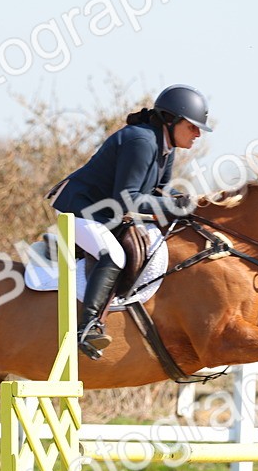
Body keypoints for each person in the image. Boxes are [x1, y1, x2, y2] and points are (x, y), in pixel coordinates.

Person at [49, 84, 212, 360]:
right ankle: (88, 326)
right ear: (171, 120)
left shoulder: (166, 147)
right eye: (192, 126)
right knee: (112, 255)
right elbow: (127, 199)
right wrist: (172, 205)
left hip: (106, 214)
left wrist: (189, 200)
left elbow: (160, 190)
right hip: (78, 211)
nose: (197, 134)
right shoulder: (142, 141)